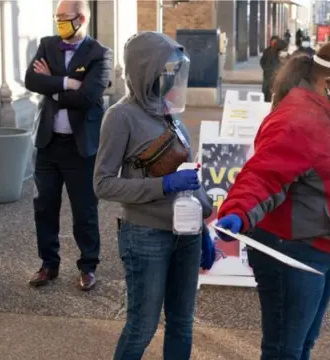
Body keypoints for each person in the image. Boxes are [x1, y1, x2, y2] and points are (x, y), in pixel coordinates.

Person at [215, 42, 330, 360]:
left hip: (316, 250)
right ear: (328, 83)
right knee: (285, 350)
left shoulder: (322, 114)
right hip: (292, 252)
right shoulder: (298, 119)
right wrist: (238, 211)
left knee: (300, 345)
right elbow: (263, 175)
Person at [93, 32, 214, 360]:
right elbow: (103, 184)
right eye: (167, 70)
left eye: (176, 70)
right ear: (145, 69)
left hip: (186, 233)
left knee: (181, 322)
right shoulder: (121, 116)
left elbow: (186, 175)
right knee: (142, 325)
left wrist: (203, 226)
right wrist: (164, 186)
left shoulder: (168, 112)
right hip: (146, 235)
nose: (174, 78)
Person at [24, 0, 113, 291]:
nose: (59, 21)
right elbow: (31, 80)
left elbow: (88, 97)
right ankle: (48, 265)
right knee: (44, 206)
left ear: (82, 18)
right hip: (48, 144)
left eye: (65, 17)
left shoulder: (100, 54)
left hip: (80, 147)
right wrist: (65, 82)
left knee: (84, 210)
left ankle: (88, 266)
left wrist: (52, 85)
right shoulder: (47, 45)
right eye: (57, 16)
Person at [260, 36, 286, 102]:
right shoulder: (267, 51)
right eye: (273, 41)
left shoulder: (279, 51)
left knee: (275, 95)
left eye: (276, 42)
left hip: (277, 77)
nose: (274, 43)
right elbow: (262, 61)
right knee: (267, 94)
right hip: (268, 76)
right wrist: (266, 69)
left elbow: (284, 44)